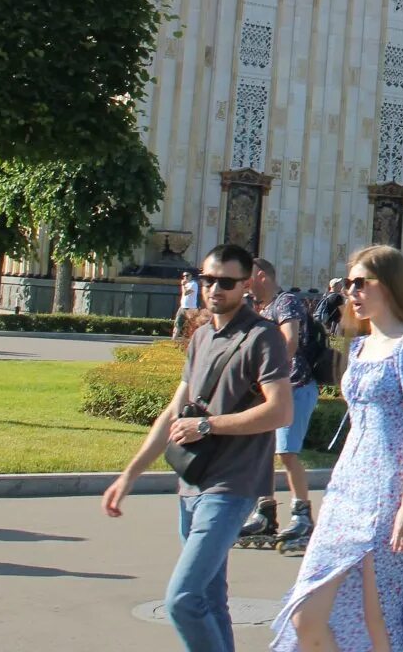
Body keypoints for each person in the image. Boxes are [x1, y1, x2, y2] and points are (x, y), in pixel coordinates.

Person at [101, 243, 294, 652]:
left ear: (247, 285)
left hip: (232, 486)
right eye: (208, 279)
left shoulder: (263, 338)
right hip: (191, 482)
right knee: (209, 598)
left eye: (226, 281)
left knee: (183, 599)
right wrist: (129, 475)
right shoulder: (202, 335)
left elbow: (280, 412)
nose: (214, 289)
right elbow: (174, 411)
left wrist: (208, 425)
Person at [271, 244, 403, 652]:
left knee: (377, 613)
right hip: (347, 486)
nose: (351, 292)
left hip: (389, 491)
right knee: (306, 614)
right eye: (349, 284)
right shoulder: (361, 347)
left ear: (390, 285)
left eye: (361, 283)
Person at [237, 258, 322, 550]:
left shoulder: (286, 302)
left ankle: (302, 515)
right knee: (263, 452)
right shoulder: (258, 307)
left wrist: (269, 374)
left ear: (261, 276)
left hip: (295, 387)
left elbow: (290, 341)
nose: (244, 285)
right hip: (271, 391)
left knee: (287, 453)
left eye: (246, 279)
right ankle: (265, 511)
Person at [172, 270, 201, 340]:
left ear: (191, 276)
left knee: (192, 326)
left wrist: (183, 285)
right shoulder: (186, 284)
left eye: (187, 275)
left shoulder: (193, 284)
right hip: (182, 307)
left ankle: (194, 342)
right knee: (177, 325)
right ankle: (173, 341)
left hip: (191, 308)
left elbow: (186, 293)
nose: (185, 277)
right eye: (184, 276)